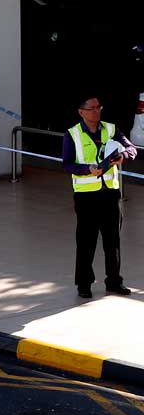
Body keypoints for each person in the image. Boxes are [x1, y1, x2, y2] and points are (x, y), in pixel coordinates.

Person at [61, 95, 137, 298]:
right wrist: (87, 169)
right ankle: (83, 284)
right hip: (86, 197)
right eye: (92, 108)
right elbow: (67, 164)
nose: (97, 111)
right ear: (81, 112)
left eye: (98, 107)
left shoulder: (111, 129)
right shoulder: (72, 134)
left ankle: (114, 281)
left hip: (110, 194)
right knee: (86, 242)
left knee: (113, 241)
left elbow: (131, 148)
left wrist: (124, 156)